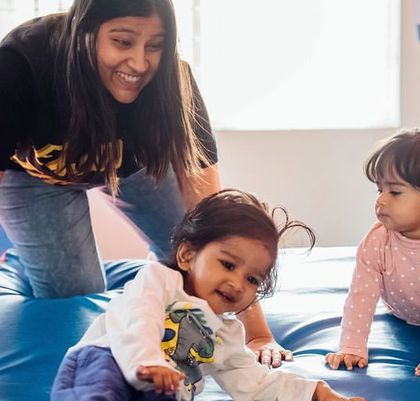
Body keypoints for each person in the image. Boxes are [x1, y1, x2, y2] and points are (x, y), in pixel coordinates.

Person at [47, 189, 376, 401]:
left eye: (252, 279)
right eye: (228, 264)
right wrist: (148, 362)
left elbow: (254, 381)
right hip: (109, 359)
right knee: (89, 398)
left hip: (166, 393)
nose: (237, 283)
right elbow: (139, 318)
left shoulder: (227, 332)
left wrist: (314, 391)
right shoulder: (159, 281)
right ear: (188, 254)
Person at [0, 0, 290, 367]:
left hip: (132, 168)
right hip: (35, 179)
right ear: (83, 33)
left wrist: (258, 332)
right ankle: (29, 258)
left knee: (189, 253)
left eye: (154, 46)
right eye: (122, 42)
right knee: (79, 298)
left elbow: (218, 227)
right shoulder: (20, 64)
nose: (139, 64)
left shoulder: (172, 80)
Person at [325, 129, 420, 376]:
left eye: (395, 192)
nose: (381, 201)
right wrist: (352, 346)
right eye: (379, 190)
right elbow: (361, 296)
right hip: (401, 313)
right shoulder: (377, 240)